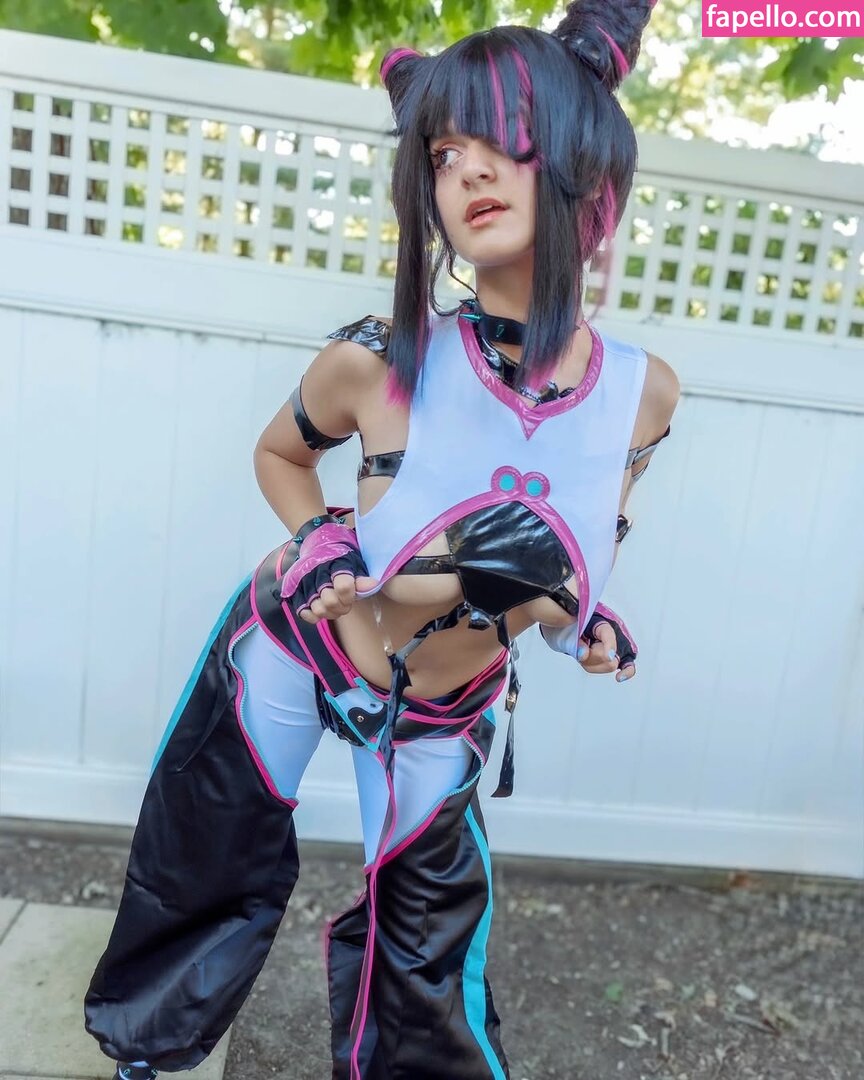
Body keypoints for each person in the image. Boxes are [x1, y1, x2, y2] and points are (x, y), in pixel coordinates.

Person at [85, 2, 679, 1077]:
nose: (469, 171)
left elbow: (583, 557)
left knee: (426, 940)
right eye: (445, 153)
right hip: (297, 645)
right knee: (205, 852)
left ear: (587, 166)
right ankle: (144, 1047)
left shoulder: (642, 396)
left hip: (442, 706)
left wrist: (584, 628)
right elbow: (281, 453)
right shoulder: (378, 358)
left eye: (507, 141)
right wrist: (320, 542)